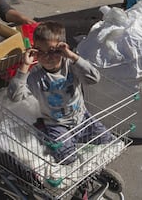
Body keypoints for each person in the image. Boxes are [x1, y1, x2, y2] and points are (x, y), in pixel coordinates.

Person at [7, 21, 112, 164]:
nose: (47, 57)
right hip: (57, 124)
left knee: (107, 139)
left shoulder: (70, 65)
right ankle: (44, 132)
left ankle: (75, 138)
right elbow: (15, 96)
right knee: (68, 158)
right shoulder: (35, 76)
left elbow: (94, 78)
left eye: (52, 51)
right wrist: (24, 66)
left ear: (62, 49)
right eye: (40, 52)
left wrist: (72, 56)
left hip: (81, 117)